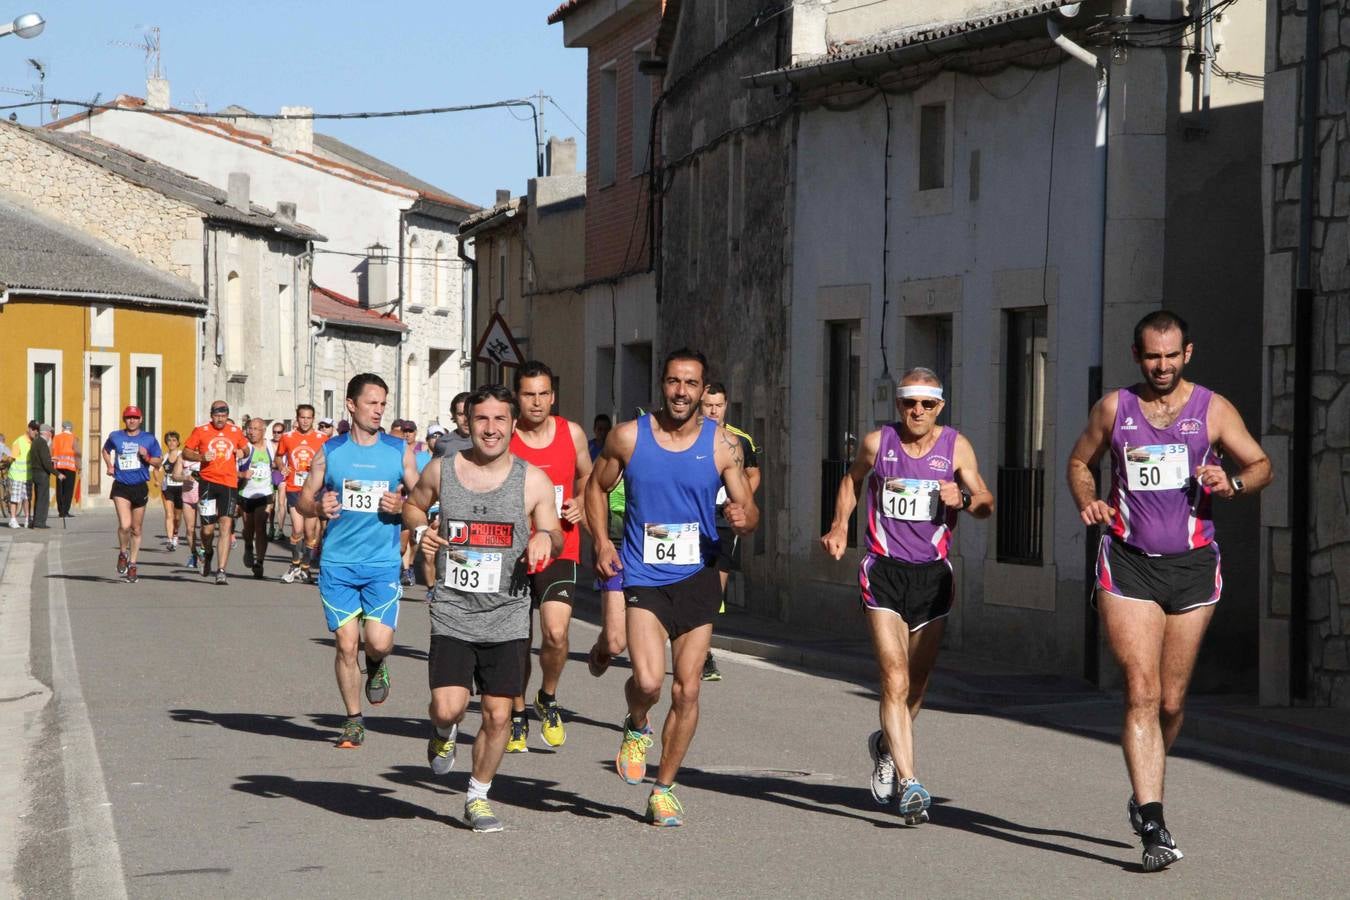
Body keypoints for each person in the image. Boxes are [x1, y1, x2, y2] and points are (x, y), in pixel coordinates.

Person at [1066, 310, 1272, 872]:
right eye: (1152, 356)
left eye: (1171, 356)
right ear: (1137, 355)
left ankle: (1144, 788)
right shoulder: (1115, 408)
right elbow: (1080, 461)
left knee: (1172, 702)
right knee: (1142, 689)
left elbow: (1261, 465)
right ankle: (1154, 822)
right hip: (1128, 564)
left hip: (1193, 567)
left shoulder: (1213, 409)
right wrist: (1088, 498)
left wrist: (1231, 482)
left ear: (1187, 354)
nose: (1162, 366)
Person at [585, 349, 759, 826]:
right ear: (662, 385)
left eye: (691, 384)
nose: (681, 392)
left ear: (703, 391)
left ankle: (663, 789)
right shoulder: (628, 436)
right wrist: (602, 542)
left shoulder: (722, 444)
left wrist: (743, 518)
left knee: (687, 690)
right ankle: (637, 723)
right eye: (673, 382)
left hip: (698, 574)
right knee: (647, 682)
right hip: (643, 573)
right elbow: (595, 488)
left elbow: (749, 511)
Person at [822, 367, 993, 825]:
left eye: (927, 404)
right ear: (898, 404)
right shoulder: (878, 444)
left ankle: (885, 745)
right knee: (894, 679)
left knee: (916, 685)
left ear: (940, 407)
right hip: (883, 571)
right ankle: (911, 781)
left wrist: (964, 499)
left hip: (933, 578)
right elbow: (851, 481)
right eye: (909, 403)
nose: (917, 411)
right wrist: (839, 526)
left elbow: (986, 502)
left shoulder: (956, 447)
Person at [404, 384, 563, 832]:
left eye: (499, 420)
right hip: (453, 610)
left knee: (497, 714)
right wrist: (422, 532)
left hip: (507, 613)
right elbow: (414, 507)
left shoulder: (532, 480)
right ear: (467, 423)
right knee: (447, 708)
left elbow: (555, 533)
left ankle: (478, 796)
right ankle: (443, 733)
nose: (490, 429)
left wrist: (543, 538)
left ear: (513, 425)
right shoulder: (443, 469)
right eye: (481, 419)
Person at [298, 373, 419, 750]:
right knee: (346, 645)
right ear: (351, 405)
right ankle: (353, 720)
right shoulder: (330, 451)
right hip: (338, 563)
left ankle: (378, 663)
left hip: (382, 562)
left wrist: (402, 506)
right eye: (371, 403)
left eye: (383, 403)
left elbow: (422, 500)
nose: (379, 410)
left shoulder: (399, 450)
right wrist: (318, 507)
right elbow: (302, 500)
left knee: (378, 643)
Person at [505, 360, 593, 752]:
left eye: (543, 394)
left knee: (556, 633)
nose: (537, 402)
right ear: (517, 397)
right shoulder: (506, 437)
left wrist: (580, 501)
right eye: (529, 395)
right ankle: (517, 714)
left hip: (560, 546)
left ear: (553, 396)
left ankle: (548, 696)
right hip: (514, 551)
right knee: (517, 639)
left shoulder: (571, 433)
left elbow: (589, 476)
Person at [697, 383, 763, 681]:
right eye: (708, 405)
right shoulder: (689, 437)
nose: (713, 411)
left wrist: (740, 501)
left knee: (714, 588)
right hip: (692, 518)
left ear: (726, 406)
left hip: (722, 519)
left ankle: (704, 653)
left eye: (718, 405)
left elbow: (753, 473)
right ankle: (690, 643)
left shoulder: (740, 440)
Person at [182, 401, 249, 585]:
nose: (220, 419)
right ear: (211, 415)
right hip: (208, 484)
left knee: (226, 525)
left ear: (227, 416)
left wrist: (242, 452)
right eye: (217, 416)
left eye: (224, 416)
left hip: (229, 484)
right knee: (207, 529)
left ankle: (221, 570)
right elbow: (186, 452)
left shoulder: (235, 431)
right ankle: (208, 551)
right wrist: (201, 457)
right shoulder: (201, 430)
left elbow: (246, 449)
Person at [102, 407, 163, 582]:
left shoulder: (149, 439)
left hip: (140, 486)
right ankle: (123, 553)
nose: (132, 420)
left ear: (141, 419)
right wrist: (109, 466)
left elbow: (158, 461)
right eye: (128, 417)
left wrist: (147, 457)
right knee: (125, 525)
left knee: (136, 529)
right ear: (124, 419)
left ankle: (133, 564)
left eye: (135, 417)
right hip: (121, 486)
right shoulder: (116, 436)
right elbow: (105, 450)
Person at [275, 405, 328, 584]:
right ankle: (294, 565)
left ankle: (305, 567)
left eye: (308, 418)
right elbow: (278, 456)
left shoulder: (322, 438)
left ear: (313, 419)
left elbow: (329, 459)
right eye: (302, 417)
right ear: (297, 418)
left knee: (309, 532)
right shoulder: (287, 437)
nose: (305, 421)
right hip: (294, 488)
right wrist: (282, 467)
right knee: (297, 529)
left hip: (313, 490)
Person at [239, 418, 277, 579]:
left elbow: (278, 463)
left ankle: (259, 562)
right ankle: (248, 545)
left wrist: (281, 469)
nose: (251, 432)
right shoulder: (244, 448)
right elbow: (230, 469)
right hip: (246, 493)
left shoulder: (271, 447)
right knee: (249, 528)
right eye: (249, 428)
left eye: (255, 429)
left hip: (265, 493)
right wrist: (242, 474)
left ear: (263, 431)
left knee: (260, 527)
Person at [156, 432, 185, 549]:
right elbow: (156, 469)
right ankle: (169, 540)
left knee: (177, 517)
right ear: (166, 442)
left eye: (174, 440)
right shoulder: (164, 457)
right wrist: (157, 480)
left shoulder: (182, 455)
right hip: (167, 488)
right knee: (169, 514)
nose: (171, 443)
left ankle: (175, 533)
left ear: (178, 442)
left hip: (181, 488)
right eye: (169, 440)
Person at [27, 424, 55, 529]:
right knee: (43, 499)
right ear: (47, 433)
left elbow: (39, 458)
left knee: (39, 498)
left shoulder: (35, 442)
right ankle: (40, 522)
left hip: (35, 473)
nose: (51, 435)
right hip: (42, 474)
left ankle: (36, 521)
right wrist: (58, 474)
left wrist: (50, 459)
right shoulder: (43, 443)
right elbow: (45, 463)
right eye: (50, 433)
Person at [7, 422, 34, 529]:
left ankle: (27, 519)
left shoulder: (34, 442)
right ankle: (13, 519)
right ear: (28, 429)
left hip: (28, 476)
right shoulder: (19, 441)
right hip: (16, 475)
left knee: (27, 498)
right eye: (33, 429)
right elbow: (12, 458)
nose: (35, 432)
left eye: (37, 430)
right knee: (15, 498)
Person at [51, 420, 80, 519]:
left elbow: (52, 450)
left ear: (63, 428)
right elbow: (77, 454)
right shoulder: (74, 438)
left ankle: (60, 511)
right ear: (71, 428)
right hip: (70, 467)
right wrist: (79, 467)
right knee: (68, 490)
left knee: (60, 489)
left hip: (59, 467)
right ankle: (65, 511)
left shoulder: (56, 437)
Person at [435, 392, 474, 458]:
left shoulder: (488, 441)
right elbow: (435, 464)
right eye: (460, 414)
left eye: (469, 414)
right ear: (454, 415)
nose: (466, 419)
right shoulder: (444, 443)